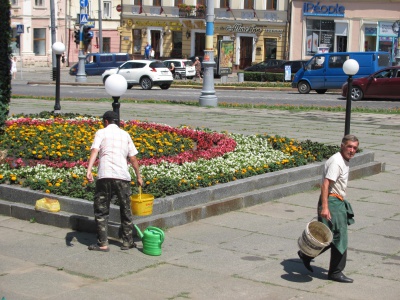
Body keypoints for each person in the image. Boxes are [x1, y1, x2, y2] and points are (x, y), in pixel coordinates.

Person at [298, 134, 359, 283]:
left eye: (355, 148)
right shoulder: (337, 162)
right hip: (331, 202)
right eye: (349, 146)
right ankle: (335, 272)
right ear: (342, 145)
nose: (352, 150)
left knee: (331, 237)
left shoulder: (342, 159)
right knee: (340, 238)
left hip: (335, 201)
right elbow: (325, 184)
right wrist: (325, 207)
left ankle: (307, 254)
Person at [86, 111, 143, 252]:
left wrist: (89, 169)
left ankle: (103, 244)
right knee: (126, 210)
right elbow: (133, 159)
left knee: (101, 210)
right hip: (122, 176)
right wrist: (138, 176)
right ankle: (127, 242)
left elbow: (94, 150)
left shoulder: (101, 132)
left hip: (105, 175)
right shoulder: (125, 135)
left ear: (106, 121)